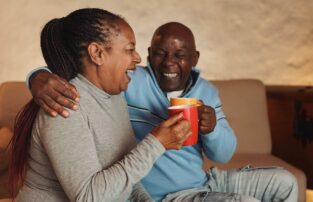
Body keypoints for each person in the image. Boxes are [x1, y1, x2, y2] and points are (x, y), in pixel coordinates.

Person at [28, 22, 298, 202]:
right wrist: (36, 76)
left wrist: (212, 128)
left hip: (205, 181)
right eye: (159, 53)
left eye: (180, 55)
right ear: (148, 55)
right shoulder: (128, 82)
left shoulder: (206, 93)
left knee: (285, 182)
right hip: (168, 195)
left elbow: (223, 154)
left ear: (195, 58)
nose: (169, 62)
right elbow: (83, 71)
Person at [9, 9, 192, 202]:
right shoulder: (65, 105)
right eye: (129, 49)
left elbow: (126, 178)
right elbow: (88, 197)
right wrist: (156, 144)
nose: (137, 58)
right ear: (97, 53)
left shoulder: (115, 97)